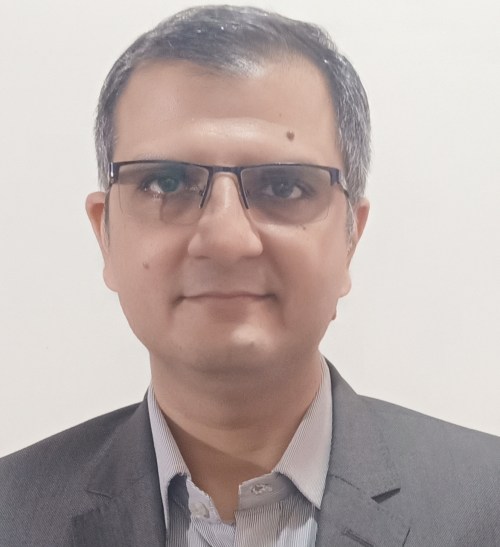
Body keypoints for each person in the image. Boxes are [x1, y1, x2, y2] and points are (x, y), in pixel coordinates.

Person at [0, 5, 499, 546]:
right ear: (106, 234)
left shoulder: (485, 503)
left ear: (351, 239)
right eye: (167, 182)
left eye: (283, 186)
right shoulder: (13, 514)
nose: (226, 240)